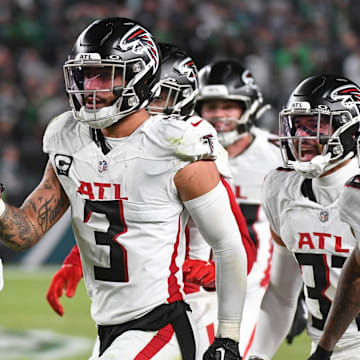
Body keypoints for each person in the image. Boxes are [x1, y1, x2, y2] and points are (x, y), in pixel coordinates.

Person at [0, 17, 247, 360]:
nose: (91, 87)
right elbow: (23, 232)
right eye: (85, 75)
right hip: (109, 327)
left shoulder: (176, 146)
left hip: (162, 323)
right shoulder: (67, 139)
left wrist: (229, 337)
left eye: (105, 75)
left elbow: (228, 244)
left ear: (140, 76)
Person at [248, 74, 360, 360]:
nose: (301, 137)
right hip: (322, 350)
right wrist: (257, 355)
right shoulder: (282, 188)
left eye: (315, 125)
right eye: (298, 126)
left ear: (351, 131)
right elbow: (282, 295)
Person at [195, 60, 283, 359]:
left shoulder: (277, 156)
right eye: (210, 106)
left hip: (249, 293)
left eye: (229, 106)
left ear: (250, 107)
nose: (219, 115)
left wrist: (291, 294)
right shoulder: (184, 151)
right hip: (190, 290)